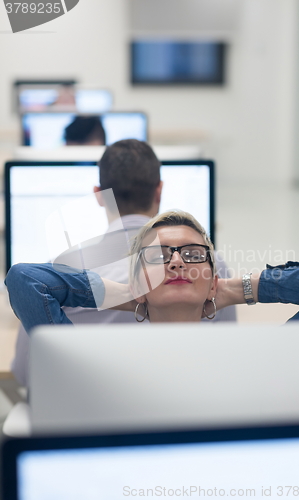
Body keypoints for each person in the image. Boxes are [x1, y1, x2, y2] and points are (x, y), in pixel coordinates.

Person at [11, 140, 236, 385]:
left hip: (85, 408)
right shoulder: (208, 267)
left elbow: (25, 373)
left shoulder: (57, 275)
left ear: (99, 195)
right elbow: (224, 357)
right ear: (159, 191)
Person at [5, 210, 299, 332]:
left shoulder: (254, 361)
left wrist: (231, 289)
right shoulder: (94, 364)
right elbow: (26, 281)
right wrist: (133, 294)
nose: (176, 262)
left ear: (213, 277)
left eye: (192, 255)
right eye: (158, 257)